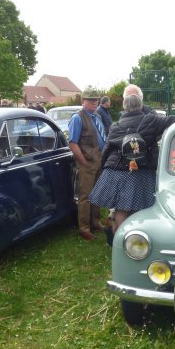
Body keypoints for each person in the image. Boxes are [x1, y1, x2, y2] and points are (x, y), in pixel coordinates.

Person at [89, 92, 175, 246]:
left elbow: (107, 149)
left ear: (124, 107)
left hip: (117, 170)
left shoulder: (116, 126)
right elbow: (174, 120)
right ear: (141, 105)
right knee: (141, 208)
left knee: (121, 208)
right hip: (141, 171)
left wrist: (104, 166)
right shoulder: (152, 120)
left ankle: (119, 241)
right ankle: (136, 241)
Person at [67, 93, 107, 240]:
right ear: (83, 101)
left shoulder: (97, 117)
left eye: (96, 101)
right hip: (87, 163)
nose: (94, 103)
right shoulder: (77, 118)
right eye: (91, 101)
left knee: (97, 194)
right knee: (85, 196)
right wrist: (83, 162)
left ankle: (95, 222)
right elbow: (72, 143)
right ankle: (84, 228)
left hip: (99, 161)